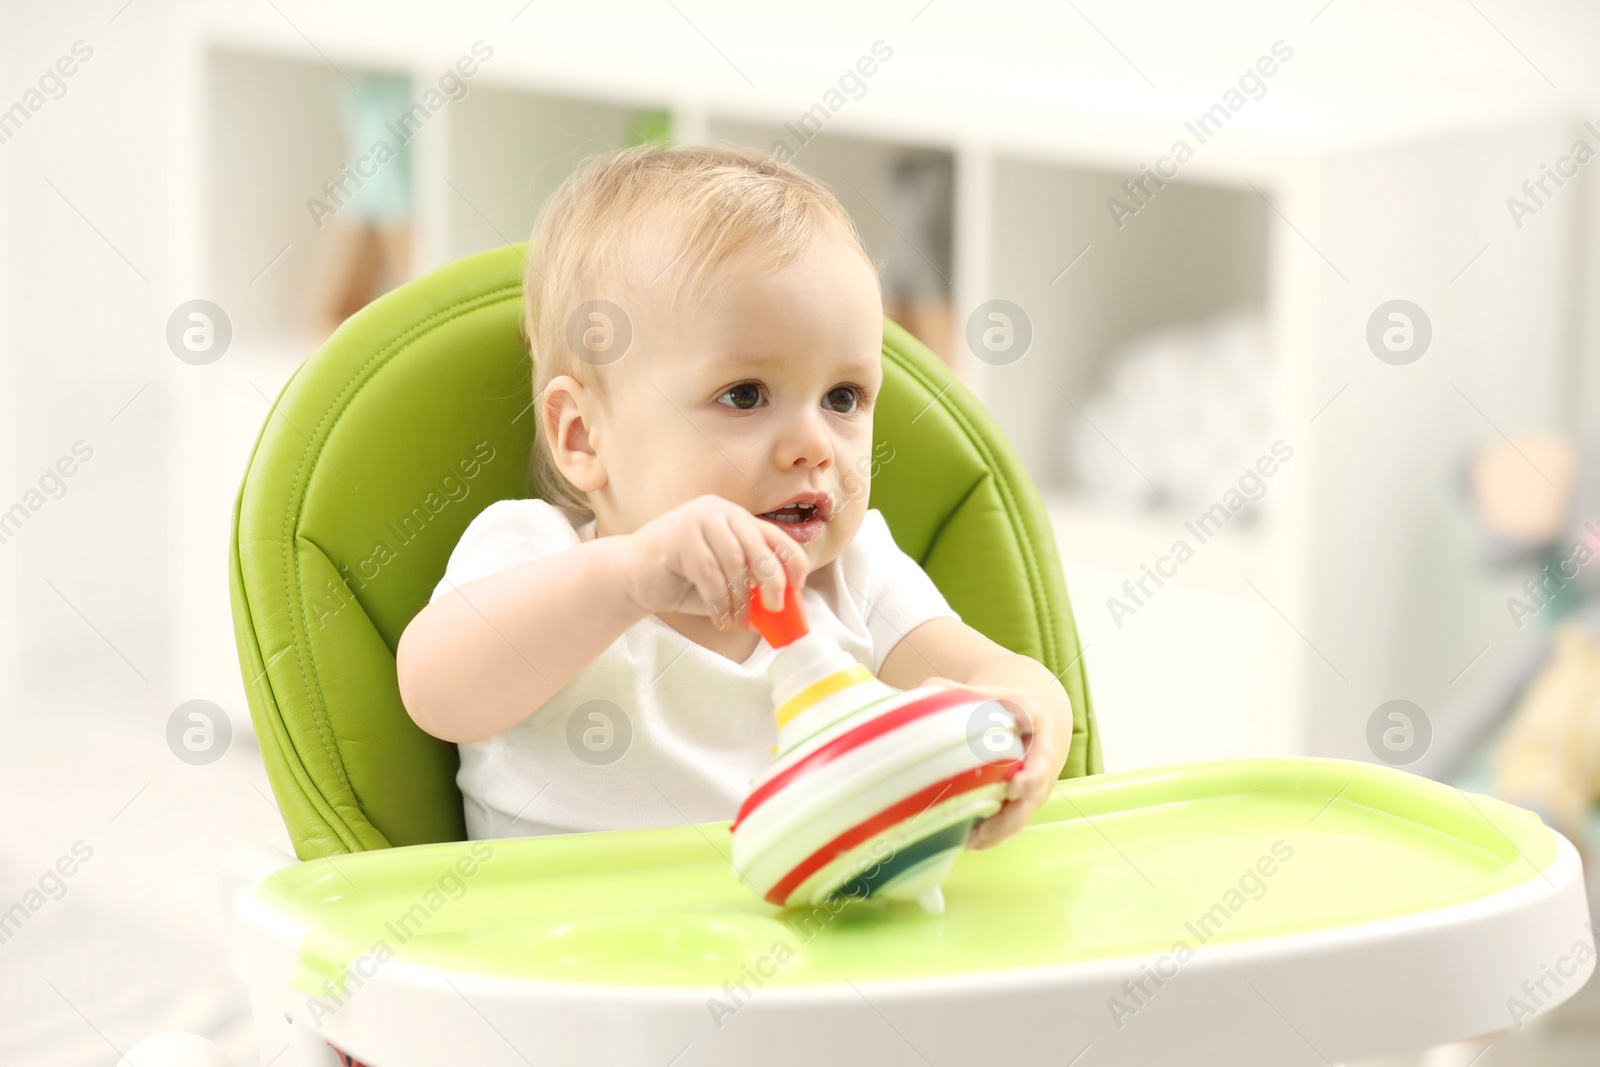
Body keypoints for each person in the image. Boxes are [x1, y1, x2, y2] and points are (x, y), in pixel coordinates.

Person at [394, 141, 1072, 854]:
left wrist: (1023, 721)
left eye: (843, 397)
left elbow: (1002, 673)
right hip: (567, 954)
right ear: (585, 436)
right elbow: (437, 692)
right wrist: (628, 576)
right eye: (744, 396)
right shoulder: (536, 553)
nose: (813, 444)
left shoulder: (857, 575)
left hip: (809, 948)